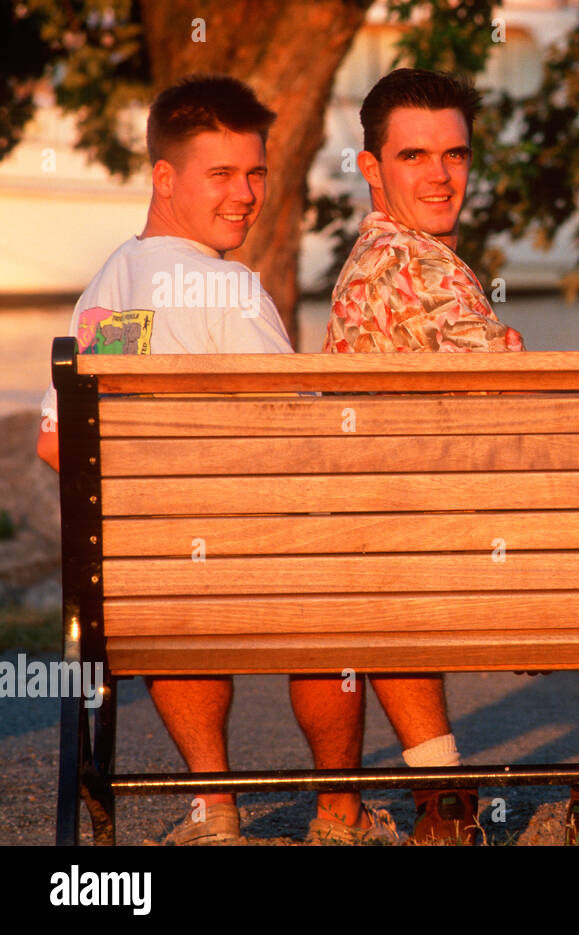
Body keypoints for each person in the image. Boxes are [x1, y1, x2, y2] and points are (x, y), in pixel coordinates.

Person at [36, 75, 303, 844]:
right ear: (164, 177)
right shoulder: (230, 289)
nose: (246, 193)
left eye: (255, 172)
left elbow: (57, 442)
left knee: (162, 568)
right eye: (221, 173)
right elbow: (293, 450)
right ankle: (348, 807)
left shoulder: (116, 284)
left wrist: (161, 507)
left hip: (146, 579)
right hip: (272, 571)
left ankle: (213, 805)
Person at [296, 68, 524, 845]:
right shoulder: (419, 270)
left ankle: (444, 792)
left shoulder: (370, 266)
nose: (439, 175)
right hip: (458, 551)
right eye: (415, 156)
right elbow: (521, 430)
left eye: (455, 156)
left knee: (383, 538)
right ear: (371, 167)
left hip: (387, 543)